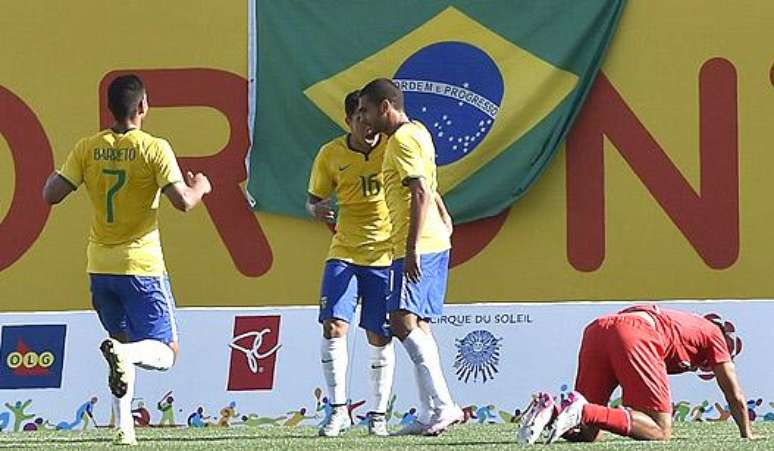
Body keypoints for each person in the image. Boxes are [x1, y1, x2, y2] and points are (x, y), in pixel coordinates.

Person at [42, 74, 211, 445]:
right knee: (165, 352)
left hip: (100, 268)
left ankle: (124, 430)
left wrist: (76, 173)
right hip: (141, 267)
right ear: (142, 108)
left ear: (110, 108)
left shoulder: (87, 147)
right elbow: (182, 202)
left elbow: (50, 194)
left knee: (120, 347)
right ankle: (123, 361)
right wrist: (202, 186)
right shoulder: (154, 148)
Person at [358, 78, 461, 436]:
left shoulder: (401, 139)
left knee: (400, 320)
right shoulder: (418, 131)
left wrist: (412, 247)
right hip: (433, 239)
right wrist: (444, 214)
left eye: (367, 110)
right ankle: (429, 410)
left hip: (418, 243)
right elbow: (429, 183)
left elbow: (418, 191)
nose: (364, 119)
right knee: (419, 324)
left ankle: (444, 405)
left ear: (385, 107)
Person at [517, 304, 753, 444]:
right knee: (659, 429)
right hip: (635, 332)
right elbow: (735, 395)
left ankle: (551, 409)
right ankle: (582, 408)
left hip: (598, 329)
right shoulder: (714, 335)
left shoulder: (688, 325)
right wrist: (746, 434)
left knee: (590, 432)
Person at [306, 90, 395, 437]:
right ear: (349, 121)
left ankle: (377, 415)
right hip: (343, 251)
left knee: (379, 334)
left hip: (384, 255)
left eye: (370, 115)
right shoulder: (330, 154)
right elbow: (312, 201)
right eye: (360, 116)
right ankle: (338, 410)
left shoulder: (392, 146)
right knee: (333, 326)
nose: (367, 122)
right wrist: (316, 210)